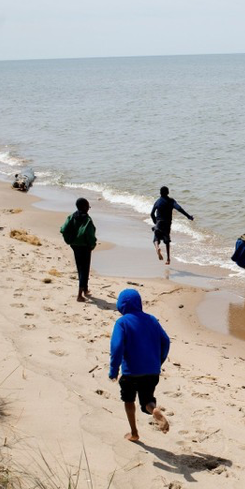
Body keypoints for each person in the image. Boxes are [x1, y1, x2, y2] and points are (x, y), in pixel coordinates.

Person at [108, 289, 171, 442]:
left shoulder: (122, 322)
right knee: (146, 400)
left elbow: (116, 347)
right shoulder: (152, 320)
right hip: (151, 372)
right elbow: (166, 341)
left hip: (131, 372)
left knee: (129, 400)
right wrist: (158, 361)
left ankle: (134, 433)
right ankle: (154, 410)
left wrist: (114, 369)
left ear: (121, 305)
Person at [60, 198, 97, 302]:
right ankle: (79, 295)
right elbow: (90, 234)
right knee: (84, 269)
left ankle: (85, 289)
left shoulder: (72, 216)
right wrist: (92, 245)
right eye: (88, 207)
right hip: (85, 247)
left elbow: (63, 229)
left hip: (75, 245)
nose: (88, 209)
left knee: (80, 266)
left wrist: (71, 240)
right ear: (85, 207)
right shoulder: (87, 220)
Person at [150, 186, 193, 265]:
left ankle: (157, 248)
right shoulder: (171, 201)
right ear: (168, 192)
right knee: (167, 241)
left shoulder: (158, 202)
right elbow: (179, 208)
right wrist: (188, 216)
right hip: (167, 224)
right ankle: (168, 259)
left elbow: (152, 213)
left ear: (160, 193)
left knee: (156, 238)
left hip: (159, 223)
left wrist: (155, 222)